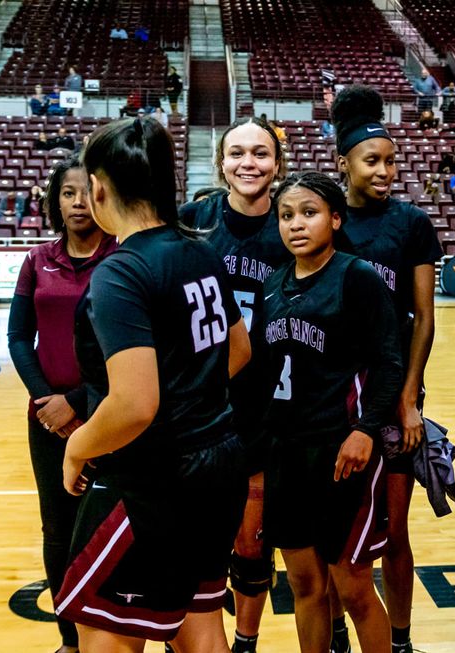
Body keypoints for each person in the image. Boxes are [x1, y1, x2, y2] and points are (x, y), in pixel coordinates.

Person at [55, 116, 251, 652]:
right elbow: (239, 350)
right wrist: (189, 394)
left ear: (98, 188)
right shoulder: (200, 250)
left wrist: (76, 447)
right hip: (220, 461)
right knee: (199, 624)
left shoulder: (120, 272)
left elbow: (135, 405)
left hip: (154, 475)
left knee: (105, 631)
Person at [262, 171, 403, 653]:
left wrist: (366, 430)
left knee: (353, 586)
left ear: (336, 219)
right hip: (286, 451)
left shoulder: (356, 276)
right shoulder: (272, 284)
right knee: (305, 585)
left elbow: (389, 362)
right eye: (286, 215)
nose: (296, 224)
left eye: (309, 213)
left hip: (341, 450)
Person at [331, 85, 443, 653]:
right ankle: (335, 636)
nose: (385, 171)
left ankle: (400, 642)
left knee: (395, 530)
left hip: (393, 391)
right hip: (333, 396)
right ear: (343, 163)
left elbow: (423, 318)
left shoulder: (411, 223)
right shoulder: (324, 217)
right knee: (332, 531)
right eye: (372, 161)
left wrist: (409, 396)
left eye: (391, 161)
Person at [178, 116, 292, 653]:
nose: (249, 163)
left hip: (270, 404)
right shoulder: (193, 221)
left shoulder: (293, 222)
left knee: (252, 543)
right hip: (201, 403)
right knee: (196, 540)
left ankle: (245, 641)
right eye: (238, 153)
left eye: (261, 153)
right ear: (221, 162)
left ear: (278, 163)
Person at [7, 155, 116, 653]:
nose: (77, 202)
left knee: (109, 524)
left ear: (102, 196)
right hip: (48, 422)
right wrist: (45, 401)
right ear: (55, 201)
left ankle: (113, 632)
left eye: (85, 192)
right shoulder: (37, 260)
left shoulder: (121, 257)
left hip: (109, 414)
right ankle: (70, 640)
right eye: (67, 193)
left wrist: (75, 401)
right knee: (57, 529)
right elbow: (17, 337)